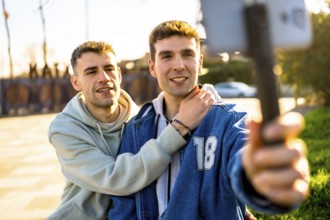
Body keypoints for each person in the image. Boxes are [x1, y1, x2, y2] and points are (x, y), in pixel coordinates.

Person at [108, 20, 310, 219]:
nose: (178, 65)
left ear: (200, 62)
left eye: (187, 54)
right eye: (167, 56)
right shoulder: (136, 127)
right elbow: (124, 205)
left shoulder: (229, 119)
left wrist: (259, 174)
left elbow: (243, 158)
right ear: (152, 67)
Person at [47, 41, 215, 219]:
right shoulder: (65, 130)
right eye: (91, 72)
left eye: (109, 68)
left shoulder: (139, 119)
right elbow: (116, 179)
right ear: (76, 82)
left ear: (119, 75)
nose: (104, 77)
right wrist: (179, 127)